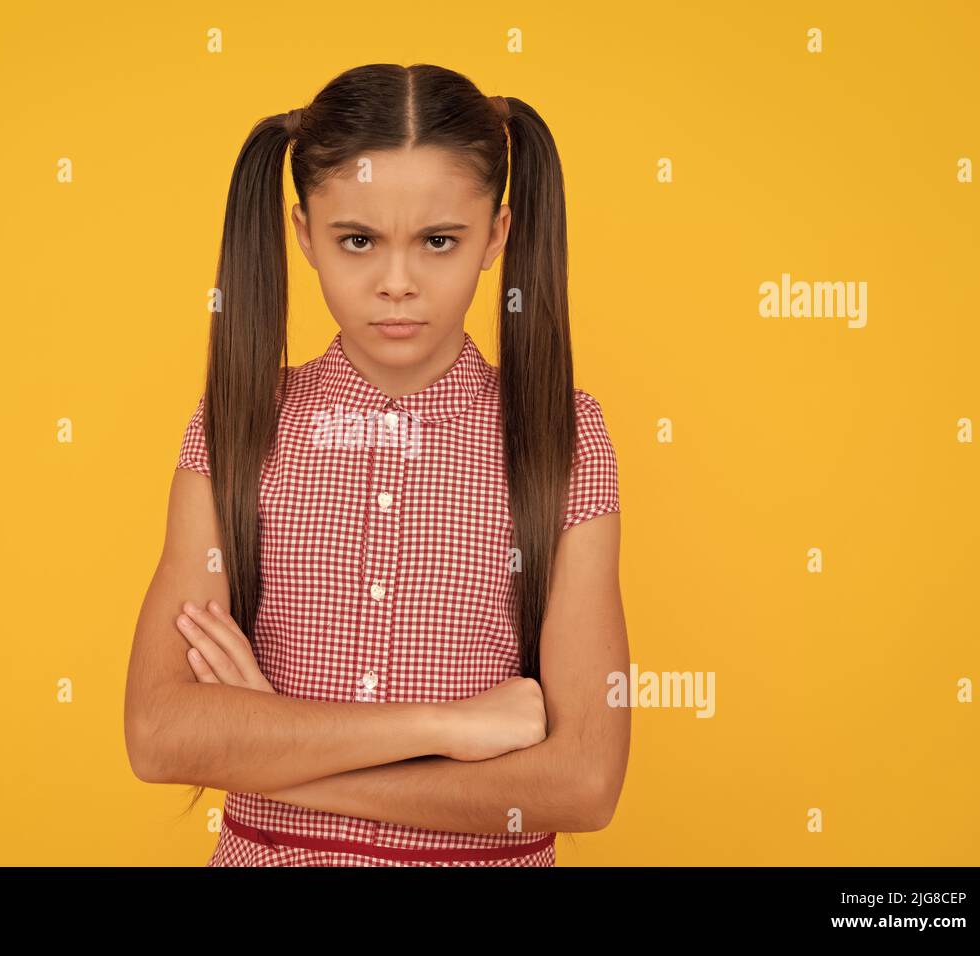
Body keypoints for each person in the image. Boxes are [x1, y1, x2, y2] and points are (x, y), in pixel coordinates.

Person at [123, 63, 630, 866]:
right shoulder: (238, 430)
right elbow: (159, 736)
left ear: (495, 236)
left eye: (438, 241)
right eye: (358, 240)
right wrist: (445, 728)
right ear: (303, 236)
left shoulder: (564, 440)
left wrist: (272, 749)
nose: (397, 283)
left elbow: (583, 781)